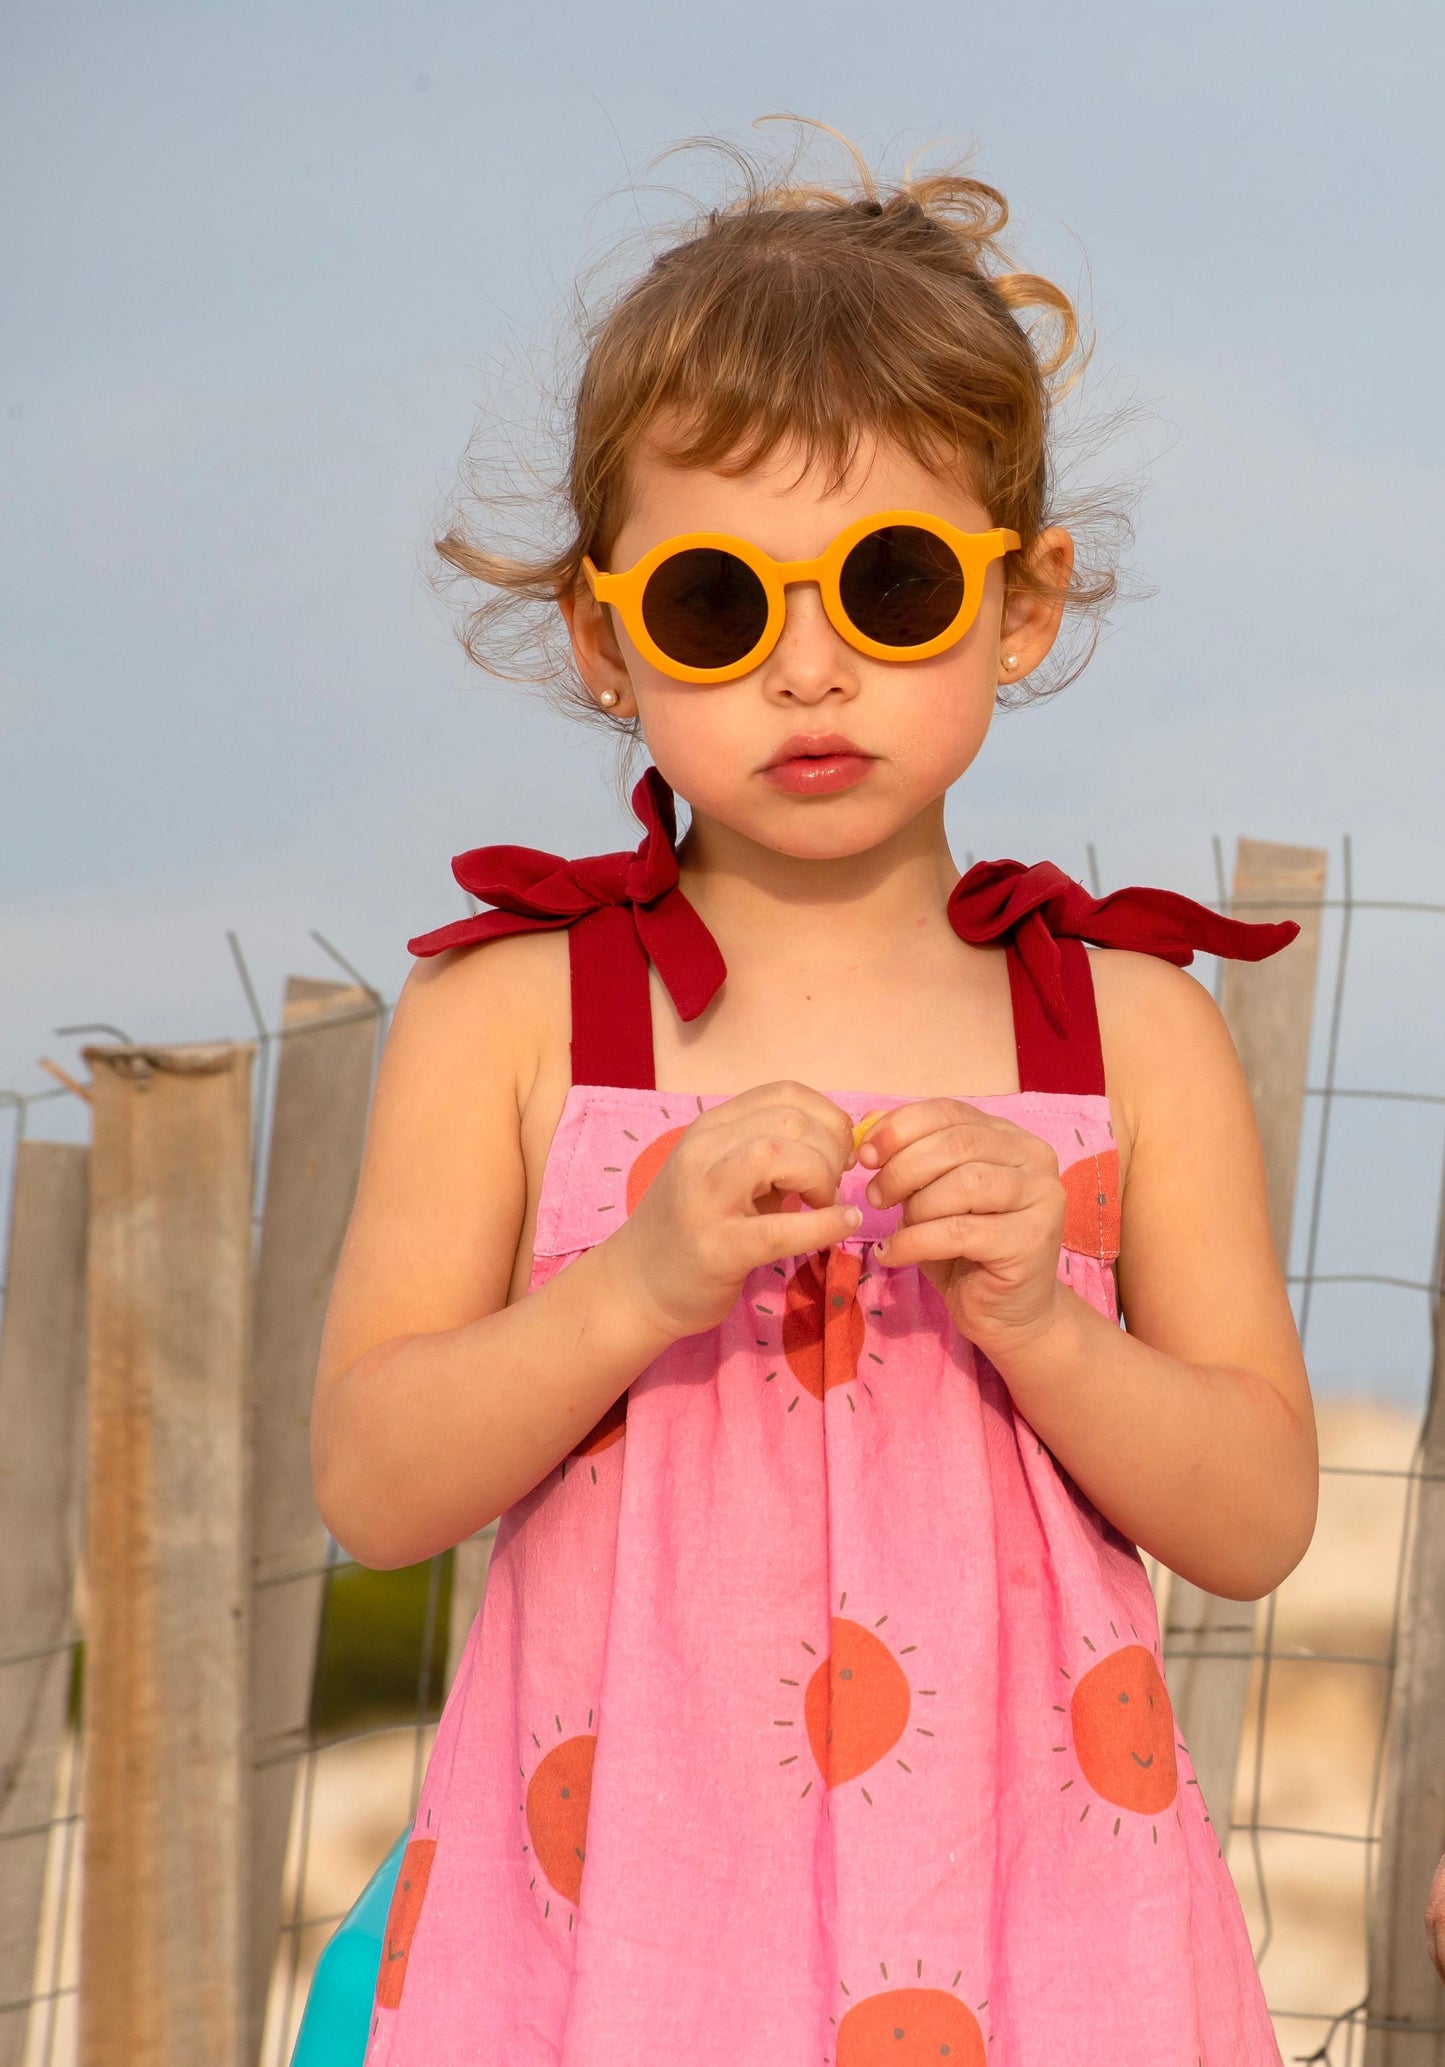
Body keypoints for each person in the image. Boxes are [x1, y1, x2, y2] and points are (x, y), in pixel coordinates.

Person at [310, 126, 1318, 2065]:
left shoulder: (1121, 1031)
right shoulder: (519, 1019)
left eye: (891, 584)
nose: (807, 664)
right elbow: (373, 1480)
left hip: (1038, 1928)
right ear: (608, 639)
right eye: (714, 604)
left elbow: (1259, 1512)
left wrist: (1041, 1317)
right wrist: (634, 1284)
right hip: (621, 1936)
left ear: (1023, 605)